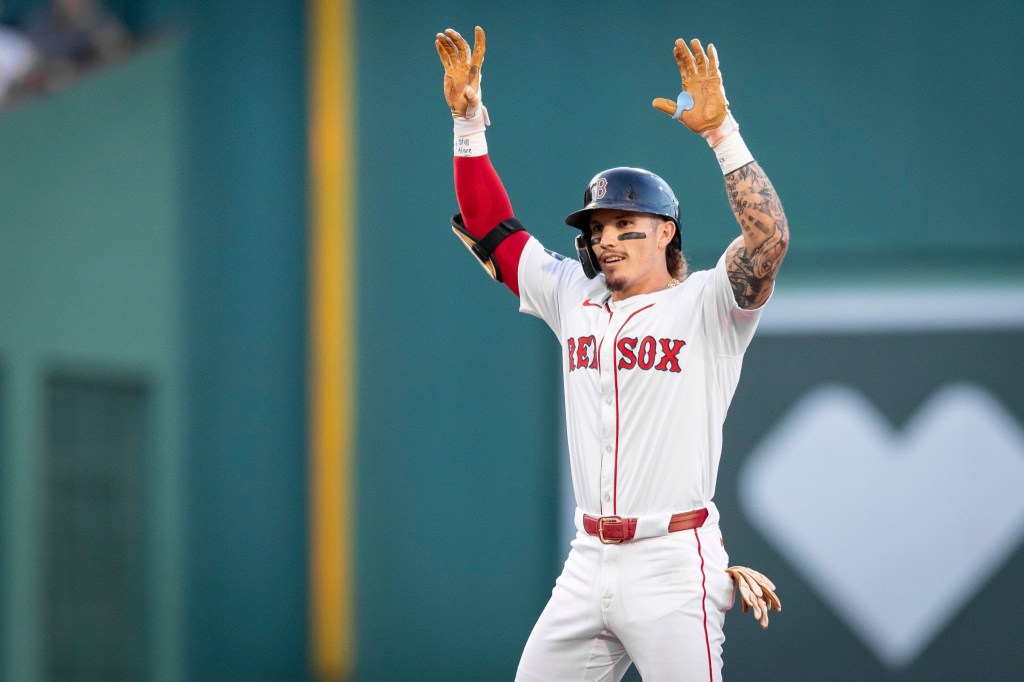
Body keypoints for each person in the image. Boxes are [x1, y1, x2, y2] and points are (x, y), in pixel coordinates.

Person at [436, 25, 786, 681]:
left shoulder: (709, 304)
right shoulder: (574, 293)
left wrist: (722, 134)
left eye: (630, 227)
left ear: (666, 235)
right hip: (588, 555)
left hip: (673, 561)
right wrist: (468, 122)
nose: (611, 241)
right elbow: (491, 228)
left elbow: (768, 243)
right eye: (599, 230)